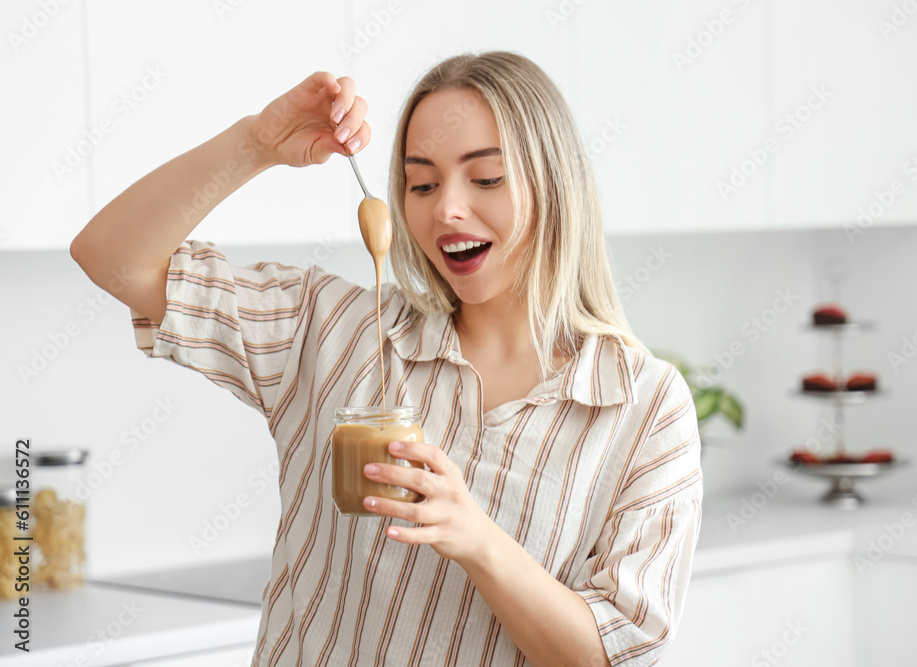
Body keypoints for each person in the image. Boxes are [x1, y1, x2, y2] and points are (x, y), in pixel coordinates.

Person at [72, 51, 703, 667]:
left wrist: (477, 540)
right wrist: (258, 142)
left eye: (485, 178)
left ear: (555, 183)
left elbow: (608, 654)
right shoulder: (331, 330)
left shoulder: (642, 406)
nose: (445, 209)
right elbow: (110, 256)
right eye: (421, 183)